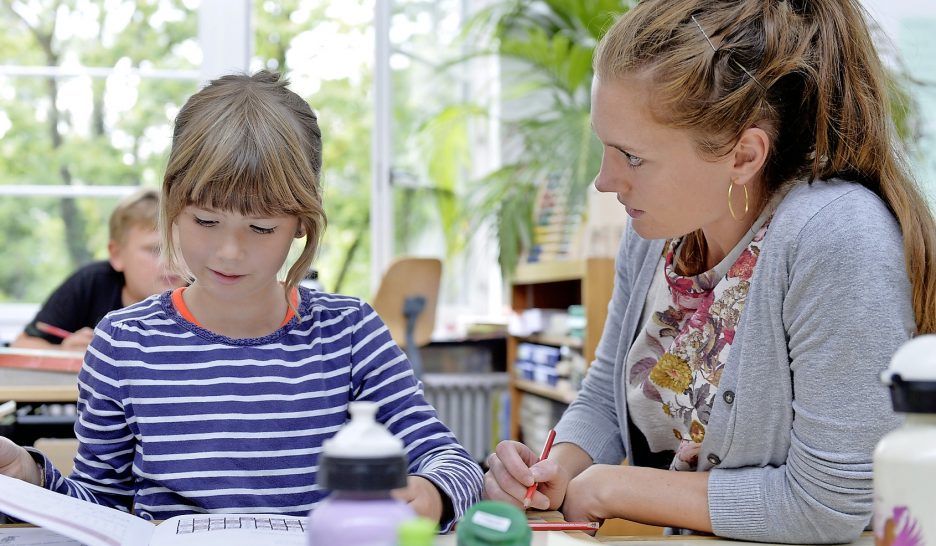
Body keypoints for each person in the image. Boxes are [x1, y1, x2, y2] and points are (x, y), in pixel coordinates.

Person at [483, 0, 936, 542]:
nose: (604, 181)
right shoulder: (655, 231)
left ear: (744, 156)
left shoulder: (838, 237)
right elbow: (608, 390)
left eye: (631, 156)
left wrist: (611, 488)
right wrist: (557, 468)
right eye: (604, 146)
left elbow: (831, 501)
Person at [0, 71, 482, 532]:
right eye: (206, 222)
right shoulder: (122, 343)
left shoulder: (351, 333)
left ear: (302, 222)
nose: (229, 252)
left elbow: (454, 463)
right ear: (171, 206)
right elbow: (99, 505)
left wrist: (432, 491)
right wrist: (32, 476)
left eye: (261, 228)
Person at [11, 189, 183, 352]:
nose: (173, 261)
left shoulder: (202, 289)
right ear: (117, 255)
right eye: (156, 249)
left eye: (182, 249)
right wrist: (64, 352)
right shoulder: (91, 284)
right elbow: (21, 345)